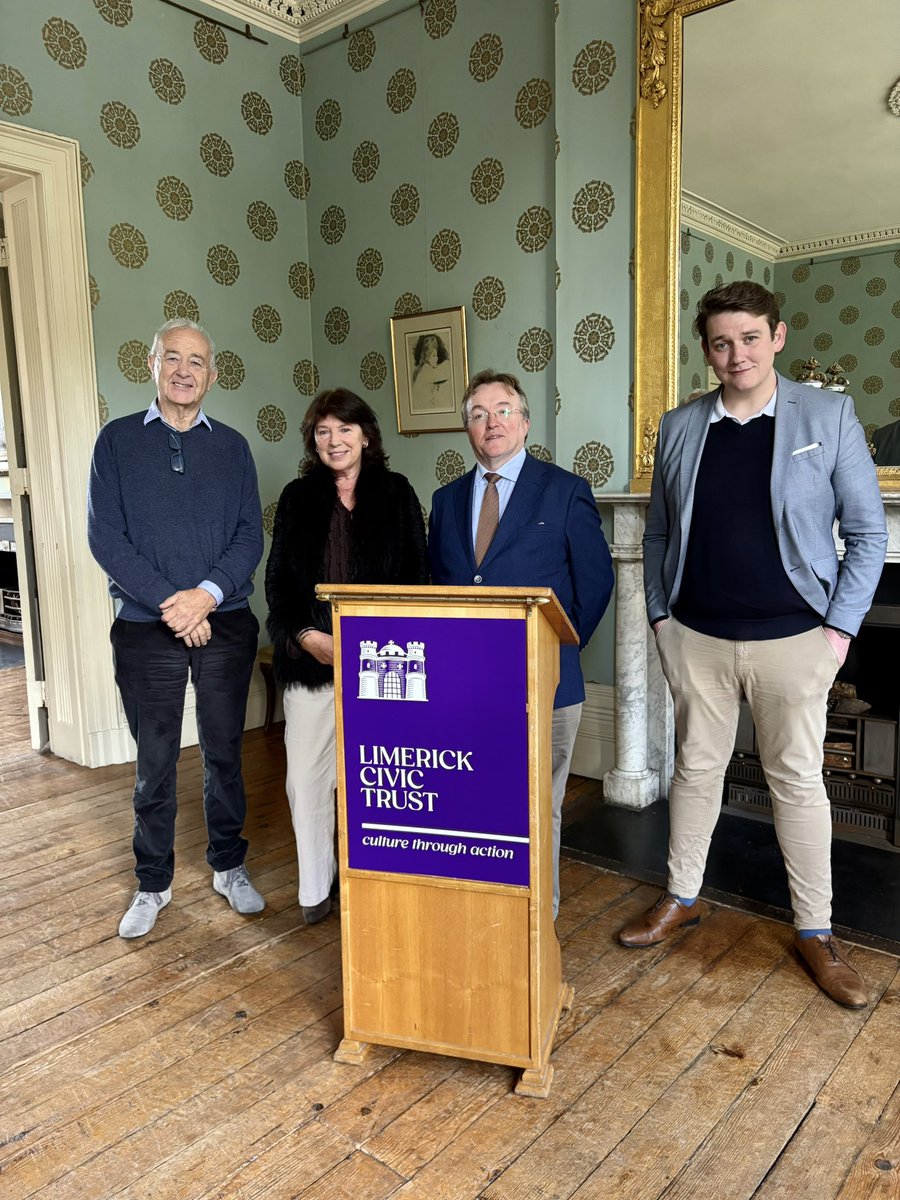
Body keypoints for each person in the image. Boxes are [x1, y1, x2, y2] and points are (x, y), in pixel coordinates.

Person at [619, 281, 887, 1009]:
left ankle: (816, 931)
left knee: (796, 781)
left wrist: (836, 634)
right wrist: (661, 622)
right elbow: (660, 534)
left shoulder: (826, 415)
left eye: (747, 338)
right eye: (718, 342)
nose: (733, 354)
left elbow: (867, 536)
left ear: (777, 336)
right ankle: (682, 895)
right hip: (695, 638)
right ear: (705, 349)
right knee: (696, 771)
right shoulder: (679, 427)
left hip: (794, 638)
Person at [87, 318, 265, 939]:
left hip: (227, 622)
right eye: (173, 358)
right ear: (151, 365)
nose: (185, 370)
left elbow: (250, 536)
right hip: (145, 627)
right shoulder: (114, 442)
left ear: (212, 375)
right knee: (154, 761)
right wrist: (174, 603)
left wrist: (206, 597)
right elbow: (106, 538)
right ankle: (153, 881)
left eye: (197, 360)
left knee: (224, 754)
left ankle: (228, 865)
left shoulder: (234, 447)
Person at [428, 369, 614, 918]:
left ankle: (539, 914)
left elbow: (595, 582)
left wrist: (559, 649)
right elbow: (437, 589)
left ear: (525, 422)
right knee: (473, 802)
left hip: (546, 682)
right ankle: (484, 905)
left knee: (538, 807)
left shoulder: (564, 490)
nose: (492, 422)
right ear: (467, 429)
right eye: (479, 414)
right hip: (466, 688)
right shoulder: (444, 500)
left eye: (504, 410)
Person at [265, 388, 429, 924]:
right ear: (314, 441)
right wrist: (308, 639)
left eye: (345, 429)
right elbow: (279, 587)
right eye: (323, 431)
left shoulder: (398, 493)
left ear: (366, 435)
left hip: (386, 662)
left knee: (382, 780)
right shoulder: (296, 497)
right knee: (306, 778)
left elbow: (417, 580)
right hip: (312, 658)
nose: (335, 440)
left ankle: (379, 879)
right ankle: (316, 888)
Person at [410, 333, 451, 411]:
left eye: (436, 355)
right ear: (427, 356)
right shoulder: (427, 370)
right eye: (434, 355)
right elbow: (445, 374)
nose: (437, 358)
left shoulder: (423, 369)